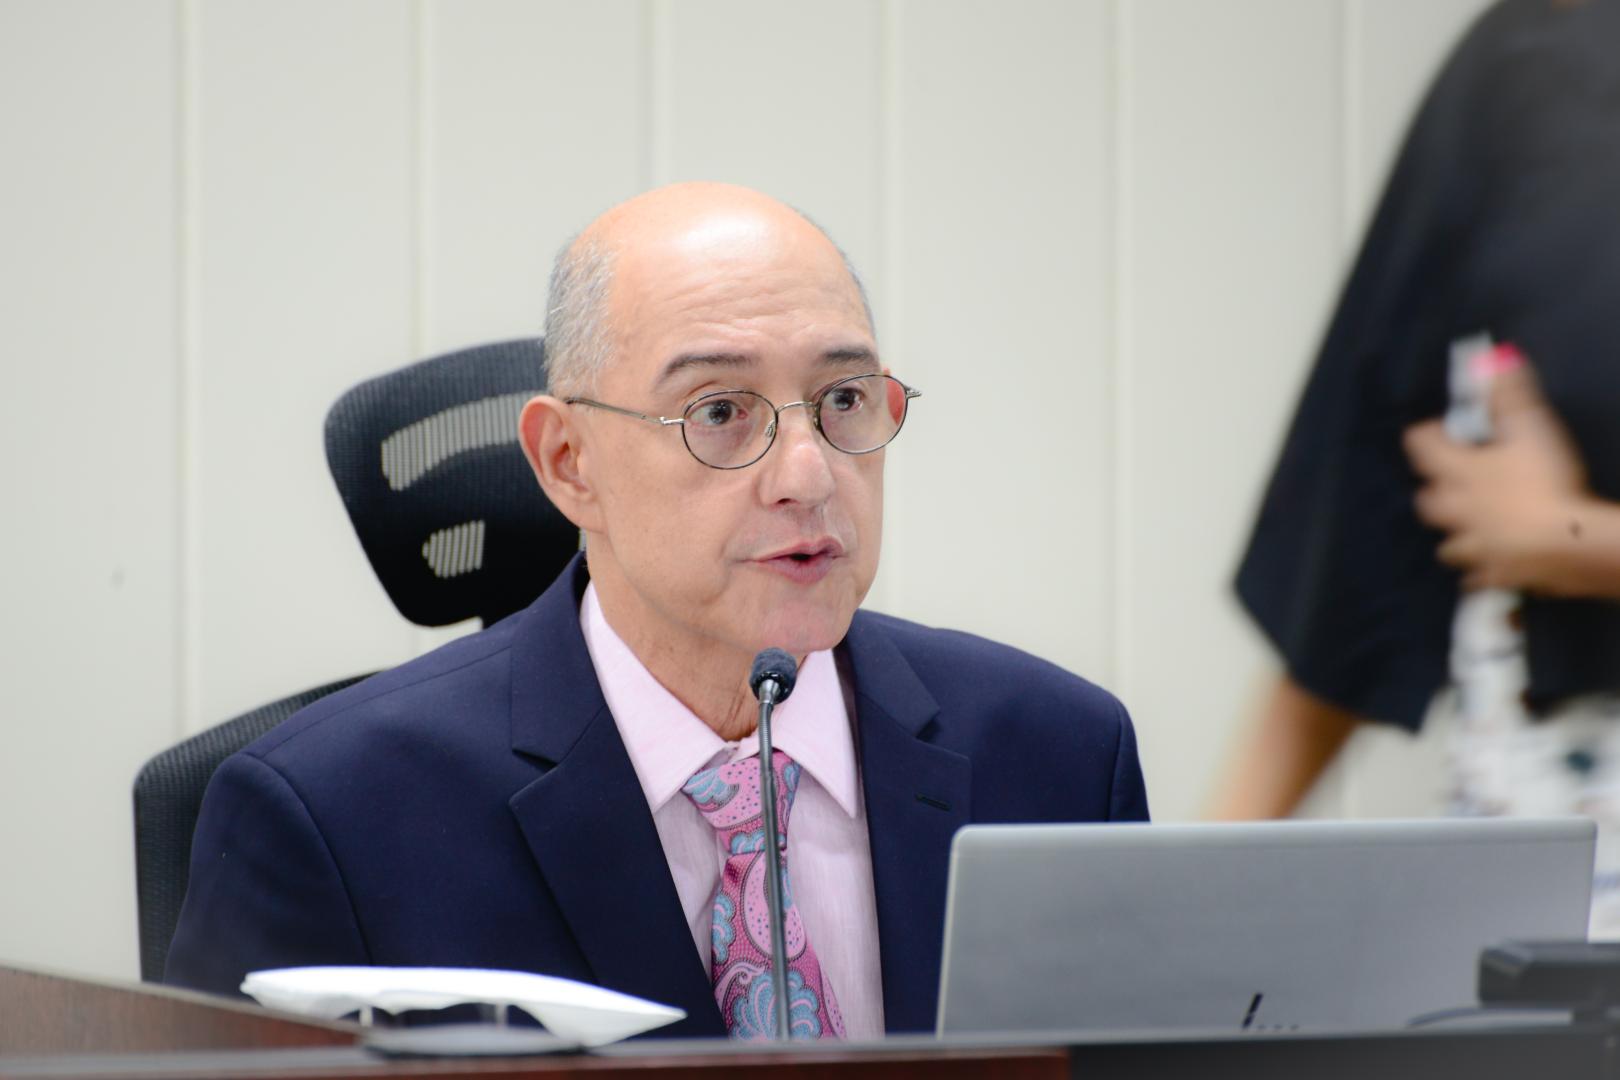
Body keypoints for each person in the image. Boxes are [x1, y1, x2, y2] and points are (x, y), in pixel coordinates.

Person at [164, 182, 1150, 1040]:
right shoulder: (335, 816)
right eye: (721, 412)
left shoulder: (1059, 757)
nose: (808, 476)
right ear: (568, 463)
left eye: (844, 399)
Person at [1211, 0, 1620, 823]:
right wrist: (1177, 918)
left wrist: (1572, 538)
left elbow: (1542, 529)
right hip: (1547, 865)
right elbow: (1359, 533)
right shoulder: (1527, 59)